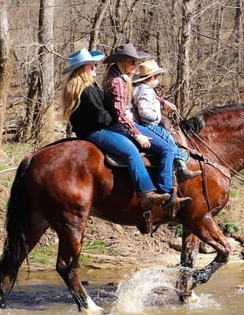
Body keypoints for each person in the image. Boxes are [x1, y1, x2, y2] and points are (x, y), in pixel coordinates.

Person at [61, 47, 170, 210]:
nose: (95, 69)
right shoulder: (87, 90)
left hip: (94, 129)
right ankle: (146, 192)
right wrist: (119, 118)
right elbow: (101, 117)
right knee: (131, 151)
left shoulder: (86, 87)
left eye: (95, 66)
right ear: (83, 68)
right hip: (96, 132)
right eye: (92, 66)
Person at [102, 43, 191, 211]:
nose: (136, 67)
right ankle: (167, 195)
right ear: (123, 63)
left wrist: (163, 103)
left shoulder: (121, 78)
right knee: (167, 149)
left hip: (129, 122)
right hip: (124, 126)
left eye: (136, 63)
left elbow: (144, 94)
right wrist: (137, 134)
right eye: (133, 63)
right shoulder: (118, 82)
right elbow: (121, 114)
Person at [132, 59, 200, 181]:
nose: (158, 80)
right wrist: (157, 117)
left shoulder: (140, 87)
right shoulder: (146, 91)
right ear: (152, 78)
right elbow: (143, 110)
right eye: (157, 77)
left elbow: (153, 99)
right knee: (168, 138)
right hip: (149, 124)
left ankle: (179, 162)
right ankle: (180, 165)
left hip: (147, 123)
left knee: (169, 137)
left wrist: (163, 104)